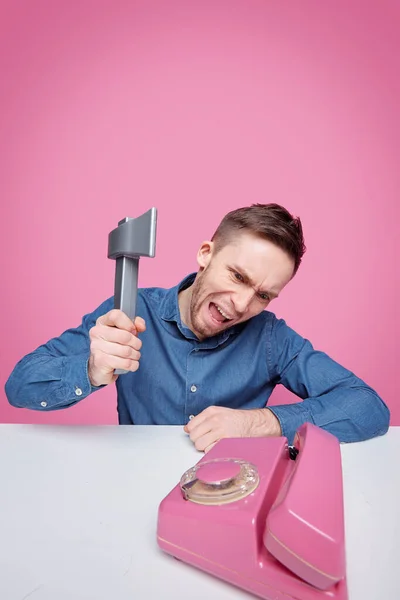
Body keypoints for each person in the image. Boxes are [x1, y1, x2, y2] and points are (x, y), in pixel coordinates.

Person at [5, 204, 390, 452]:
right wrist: (89, 369)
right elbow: (19, 386)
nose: (241, 304)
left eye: (263, 295)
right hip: (129, 486)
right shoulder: (130, 310)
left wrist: (259, 423)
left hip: (235, 494)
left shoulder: (272, 338)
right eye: (238, 276)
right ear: (206, 254)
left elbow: (369, 407)